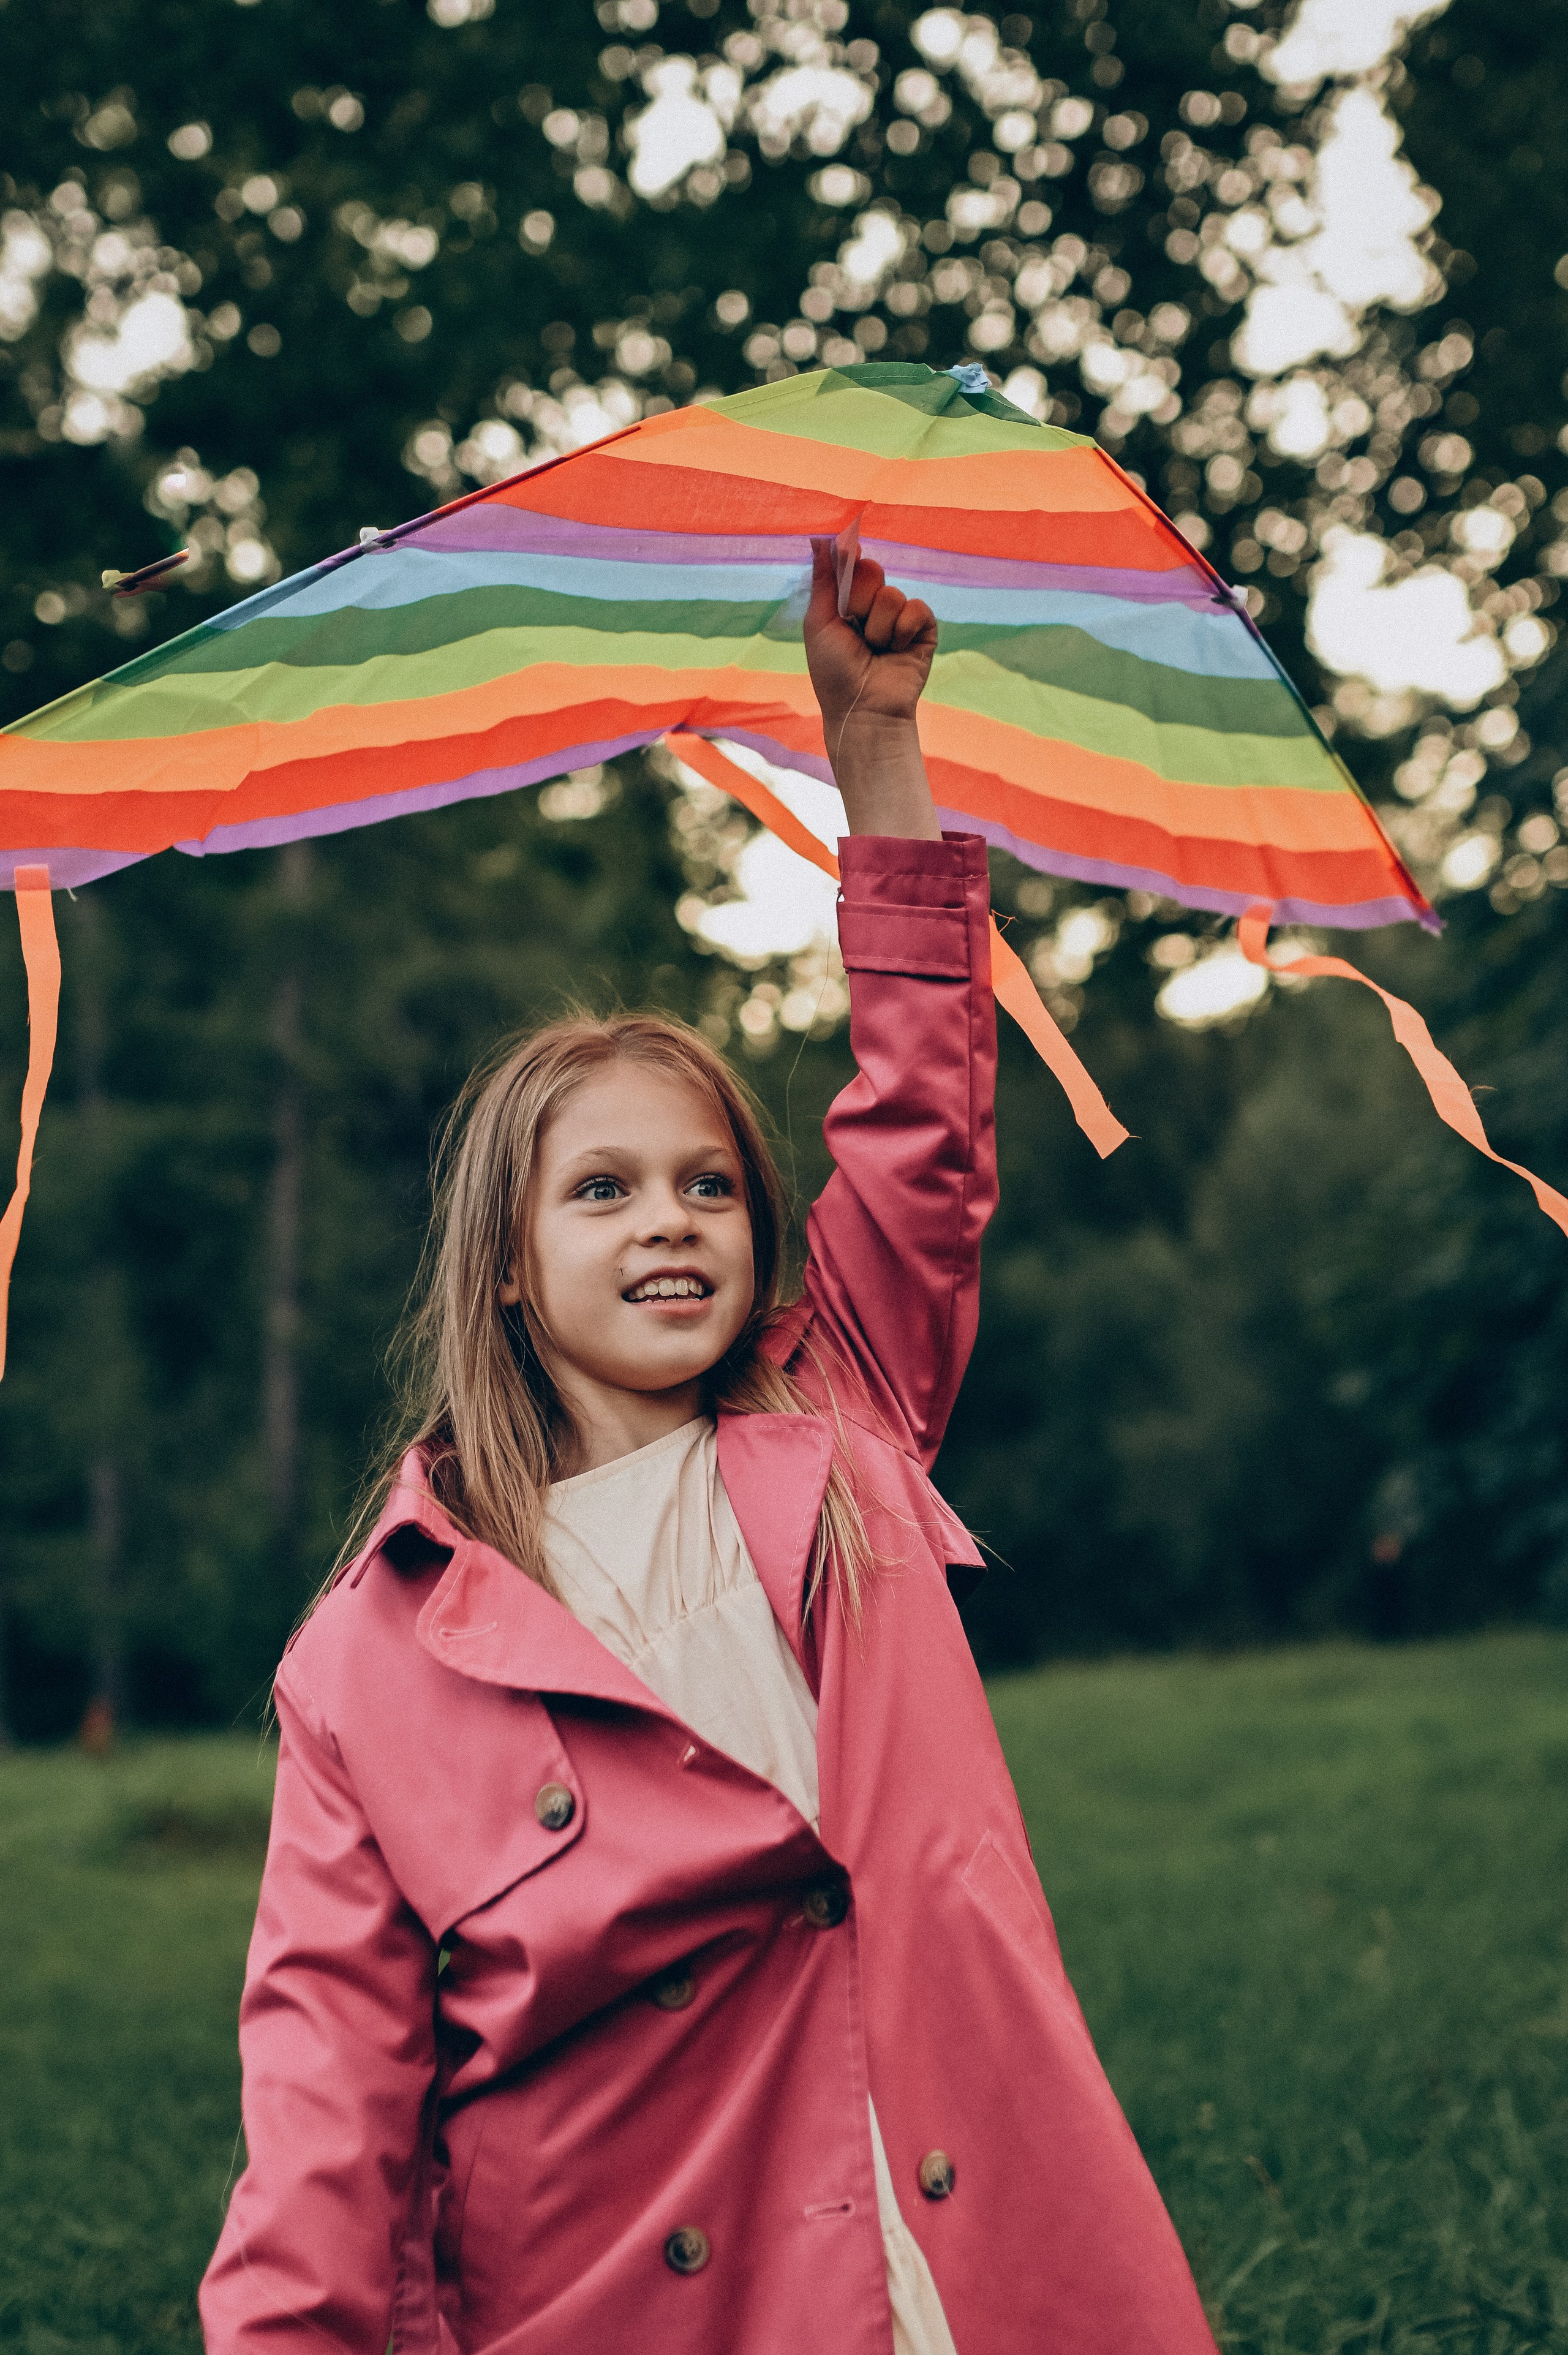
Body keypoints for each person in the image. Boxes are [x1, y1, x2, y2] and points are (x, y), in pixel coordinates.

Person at [200, 544, 1217, 2355]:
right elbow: (328, 2123)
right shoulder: (371, 1660)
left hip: (963, 2213)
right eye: (601, 1191)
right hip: (649, 2288)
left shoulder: (837, 1410)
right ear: (508, 1265)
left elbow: (922, 1122)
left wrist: (878, 748)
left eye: (708, 1185)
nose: (669, 1222)